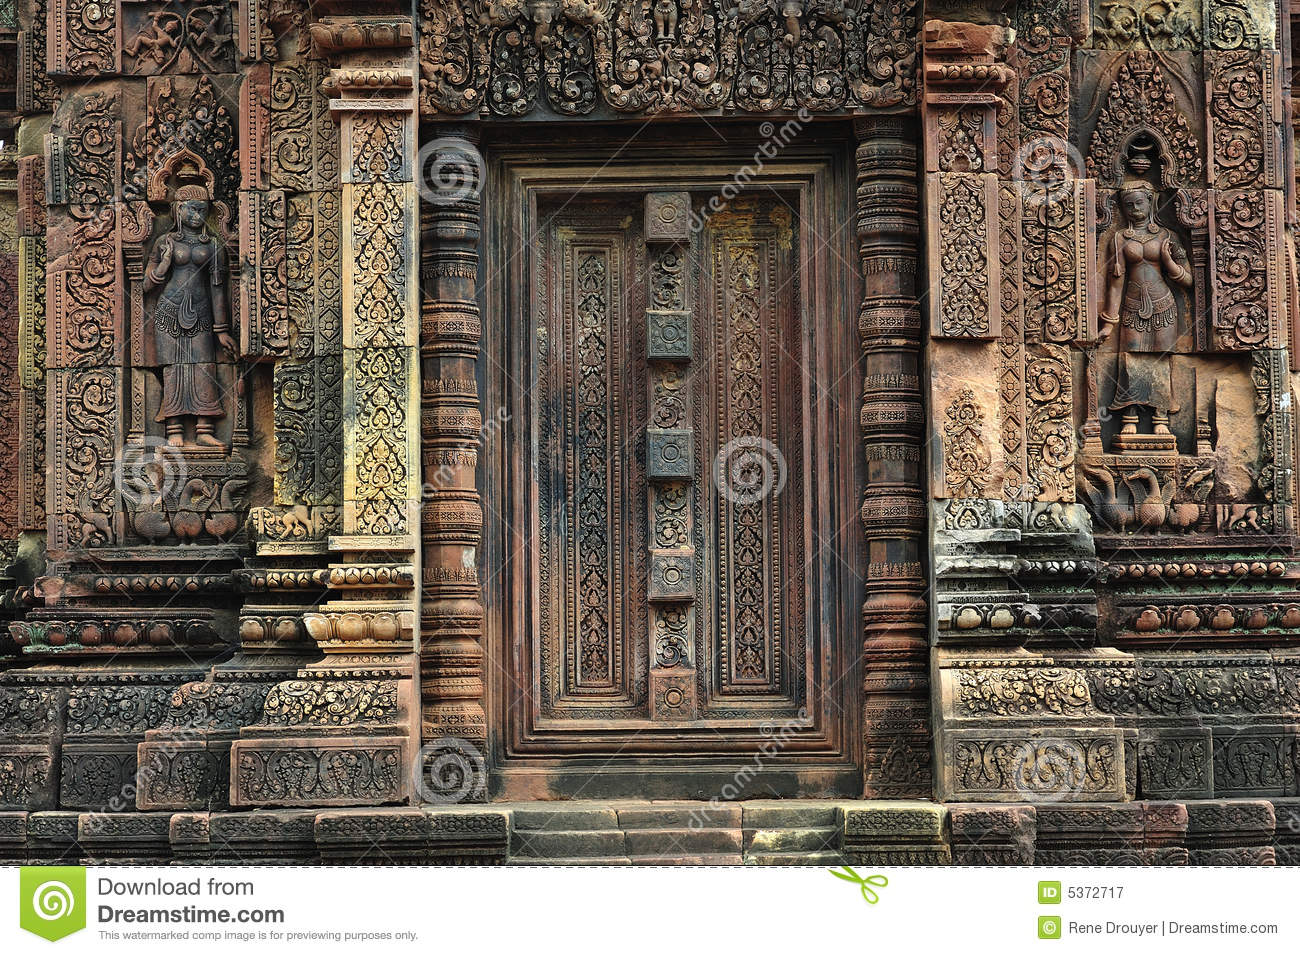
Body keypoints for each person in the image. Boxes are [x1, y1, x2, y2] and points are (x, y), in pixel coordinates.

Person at [1097, 177, 1192, 438]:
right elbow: (1115, 283)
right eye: (1128, 205)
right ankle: (1131, 416)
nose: (1134, 209)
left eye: (1139, 203)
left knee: (1160, 358)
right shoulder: (1118, 238)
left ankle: (1160, 417)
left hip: (1163, 305)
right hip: (1132, 305)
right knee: (1132, 359)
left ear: (1151, 202)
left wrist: (1167, 260)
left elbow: (1188, 280)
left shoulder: (1167, 236)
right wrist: (1109, 322)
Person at [144, 184, 236, 447]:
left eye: (203, 211)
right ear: (178, 209)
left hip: (202, 312)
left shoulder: (213, 245)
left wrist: (222, 330)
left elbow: (218, 288)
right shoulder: (165, 242)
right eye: (192, 209)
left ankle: (204, 429)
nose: (197, 216)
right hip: (168, 311)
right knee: (173, 367)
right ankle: (174, 428)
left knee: (204, 365)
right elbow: (146, 286)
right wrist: (163, 264)